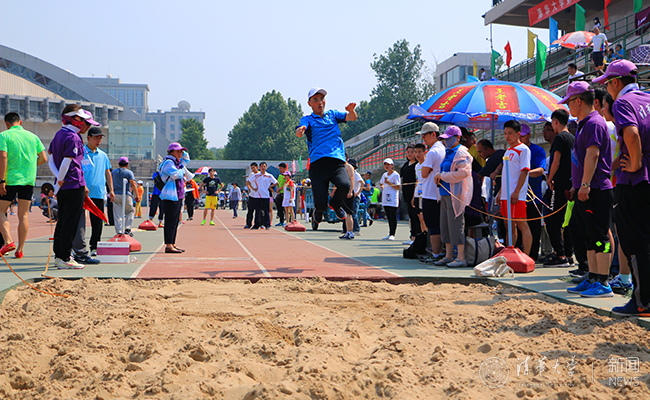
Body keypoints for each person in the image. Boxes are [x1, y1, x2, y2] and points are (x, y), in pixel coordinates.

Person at [594, 60, 650, 315]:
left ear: (615, 82)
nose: (606, 89)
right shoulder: (647, 99)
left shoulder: (623, 103)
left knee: (634, 241)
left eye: (607, 83)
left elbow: (632, 134)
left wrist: (635, 162)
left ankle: (642, 300)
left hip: (635, 180)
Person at [558, 81, 614, 298]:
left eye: (569, 102)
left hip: (596, 188)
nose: (568, 107)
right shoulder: (584, 124)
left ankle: (603, 281)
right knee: (590, 237)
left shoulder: (594, 123)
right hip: (585, 188)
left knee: (600, 238)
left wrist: (585, 184)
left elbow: (593, 155)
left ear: (579, 101)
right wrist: (577, 185)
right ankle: (592, 277)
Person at [48, 105, 99, 269]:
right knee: (70, 222)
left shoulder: (59, 134)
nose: (85, 124)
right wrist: (60, 178)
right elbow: (67, 161)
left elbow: (51, 159)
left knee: (63, 221)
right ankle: (64, 257)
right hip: (73, 184)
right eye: (82, 120)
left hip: (65, 185)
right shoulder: (73, 137)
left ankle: (60, 255)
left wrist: (58, 180)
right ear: (73, 119)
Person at [296, 87, 357, 224]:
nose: (320, 102)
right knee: (321, 203)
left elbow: (352, 117)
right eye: (315, 100)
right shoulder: (308, 120)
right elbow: (299, 131)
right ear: (309, 103)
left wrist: (351, 110)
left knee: (345, 185)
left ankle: (335, 204)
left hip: (336, 162)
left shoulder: (333, 115)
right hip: (318, 164)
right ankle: (319, 210)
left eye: (322, 99)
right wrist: (300, 131)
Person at [0, 112, 47, 258]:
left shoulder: (4, 136)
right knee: (24, 215)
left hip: (11, 179)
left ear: (7, 124)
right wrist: (30, 166)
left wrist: (1, 180)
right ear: (20, 122)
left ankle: (8, 241)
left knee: (0, 211)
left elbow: (3, 156)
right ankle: (20, 249)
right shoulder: (33, 137)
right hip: (28, 180)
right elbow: (44, 158)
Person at [433, 126, 473, 268]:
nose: (446, 141)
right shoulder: (448, 152)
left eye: (449, 138)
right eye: (445, 139)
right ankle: (448, 255)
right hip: (444, 194)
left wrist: (443, 176)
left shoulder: (462, 153)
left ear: (457, 138)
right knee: (445, 225)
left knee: (456, 225)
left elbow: (464, 172)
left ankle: (461, 257)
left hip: (455, 195)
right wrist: (439, 177)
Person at [74, 127, 112, 262]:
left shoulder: (103, 155)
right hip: (82, 192)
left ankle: (95, 246)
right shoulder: (81, 152)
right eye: (96, 137)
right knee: (79, 221)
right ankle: (77, 247)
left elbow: (107, 173)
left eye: (100, 138)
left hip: (98, 192)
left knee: (97, 221)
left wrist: (111, 190)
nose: (98, 140)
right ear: (88, 138)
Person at [543, 109, 575, 269]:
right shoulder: (573, 138)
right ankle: (568, 253)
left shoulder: (560, 138)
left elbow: (555, 161)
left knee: (552, 219)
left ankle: (560, 254)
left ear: (555, 122)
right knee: (567, 221)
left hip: (560, 184)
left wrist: (549, 178)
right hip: (571, 184)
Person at [500, 120, 533, 255]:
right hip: (505, 194)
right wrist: (500, 192)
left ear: (518, 134)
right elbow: (506, 173)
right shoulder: (508, 151)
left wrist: (517, 191)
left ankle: (527, 255)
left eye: (510, 133)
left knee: (521, 224)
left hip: (516, 194)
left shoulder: (523, 150)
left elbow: (524, 171)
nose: (507, 136)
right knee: (509, 225)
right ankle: (510, 253)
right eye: (505, 133)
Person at [417, 122, 446, 264]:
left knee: (433, 226)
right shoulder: (443, 149)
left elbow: (423, 173)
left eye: (425, 135)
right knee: (440, 224)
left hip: (430, 193)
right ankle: (441, 252)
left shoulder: (433, 152)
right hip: (441, 192)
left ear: (433, 134)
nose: (423, 138)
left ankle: (436, 253)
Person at [518, 124, 547, 261]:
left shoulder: (537, 150)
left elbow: (541, 170)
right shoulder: (513, 151)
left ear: (529, 135)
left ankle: (532, 256)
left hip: (532, 197)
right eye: (519, 136)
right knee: (517, 228)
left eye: (523, 136)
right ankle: (518, 255)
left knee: (533, 228)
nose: (521, 139)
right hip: (517, 197)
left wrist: (524, 174)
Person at [160, 142, 191, 253]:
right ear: (171, 152)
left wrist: (183, 153)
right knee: (170, 221)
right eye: (178, 151)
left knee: (175, 221)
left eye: (181, 151)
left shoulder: (177, 162)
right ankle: (169, 245)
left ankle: (172, 243)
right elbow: (175, 175)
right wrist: (182, 170)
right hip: (170, 196)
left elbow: (187, 159)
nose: (180, 153)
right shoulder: (169, 162)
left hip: (177, 195)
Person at [111, 157, 139, 236]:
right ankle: (127, 228)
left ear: (118, 164)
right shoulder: (129, 172)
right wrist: (137, 195)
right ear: (127, 164)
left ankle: (119, 231)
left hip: (116, 194)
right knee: (130, 211)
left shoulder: (113, 172)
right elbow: (133, 183)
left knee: (117, 214)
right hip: (126, 194)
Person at [400, 145, 420, 245]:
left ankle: (417, 237)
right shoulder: (405, 164)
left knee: (416, 216)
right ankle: (412, 236)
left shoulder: (417, 165)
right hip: (406, 193)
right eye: (408, 152)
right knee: (411, 216)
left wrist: (414, 195)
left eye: (412, 152)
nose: (410, 154)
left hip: (414, 193)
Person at [341, 159, 364, 239]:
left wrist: (357, 192)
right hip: (348, 195)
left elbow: (362, 183)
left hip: (355, 196)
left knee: (353, 213)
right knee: (347, 213)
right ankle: (347, 230)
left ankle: (356, 229)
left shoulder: (356, 174)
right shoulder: (348, 174)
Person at [379, 158, 401, 240]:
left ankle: (393, 234)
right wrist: (382, 186)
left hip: (393, 198)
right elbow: (381, 183)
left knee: (393, 216)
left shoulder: (396, 175)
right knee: (388, 216)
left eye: (388, 164)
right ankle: (389, 233)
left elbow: (398, 187)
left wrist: (389, 183)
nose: (386, 166)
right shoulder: (384, 175)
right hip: (385, 198)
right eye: (385, 164)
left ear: (392, 165)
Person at [253, 162, 277, 229]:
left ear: (266, 167)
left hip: (266, 195)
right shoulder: (256, 175)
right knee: (257, 210)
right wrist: (253, 188)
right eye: (262, 166)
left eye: (264, 166)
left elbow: (276, 182)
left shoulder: (269, 176)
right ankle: (256, 225)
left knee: (266, 210)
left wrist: (270, 187)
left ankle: (267, 224)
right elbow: (248, 181)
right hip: (257, 195)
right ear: (259, 167)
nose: (263, 168)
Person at [412, 143, 428, 234]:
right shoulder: (417, 166)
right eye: (415, 152)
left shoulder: (427, 164)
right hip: (417, 193)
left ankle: (428, 236)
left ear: (424, 152)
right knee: (419, 217)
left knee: (423, 216)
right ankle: (423, 236)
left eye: (419, 152)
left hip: (425, 194)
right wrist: (413, 197)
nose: (417, 154)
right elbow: (417, 180)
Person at [245, 162, 260, 229]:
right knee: (250, 210)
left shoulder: (260, 174)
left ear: (257, 167)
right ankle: (248, 224)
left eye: (253, 168)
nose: (252, 169)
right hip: (252, 195)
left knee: (258, 211)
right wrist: (249, 187)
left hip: (259, 196)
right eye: (251, 168)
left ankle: (258, 224)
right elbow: (247, 181)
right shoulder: (251, 174)